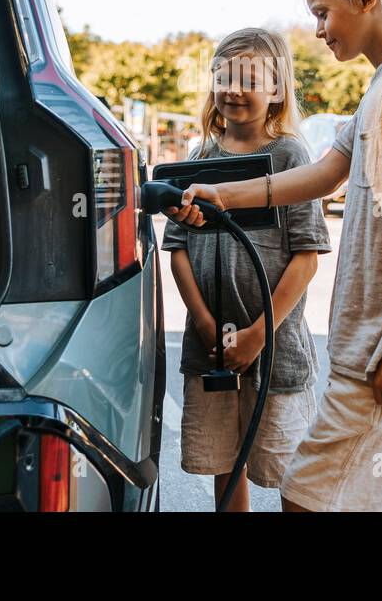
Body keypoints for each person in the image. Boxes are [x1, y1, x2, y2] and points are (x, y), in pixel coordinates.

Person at [168, 0, 382, 512]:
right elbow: (323, 174)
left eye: (322, 12)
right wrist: (221, 195)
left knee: (308, 496)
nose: (318, 29)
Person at [163, 27, 331, 511]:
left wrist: (260, 334)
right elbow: (177, 249)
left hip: (275, 353)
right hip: (210, 349)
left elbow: (306, 254)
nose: (233, 89)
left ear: (276, 88)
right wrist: (204, 322)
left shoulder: (289, 156)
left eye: (248, 78)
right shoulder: (199, 158)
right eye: (223, 76)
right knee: (225, 463)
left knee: (289, 472)